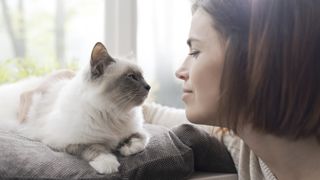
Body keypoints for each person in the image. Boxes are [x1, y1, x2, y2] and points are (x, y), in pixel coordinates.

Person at [18, 0, 320, 179]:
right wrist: (60, 83)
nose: (180, 70)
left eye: (196, 51)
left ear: (257, 58)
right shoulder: (242, 143)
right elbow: (145, 111)